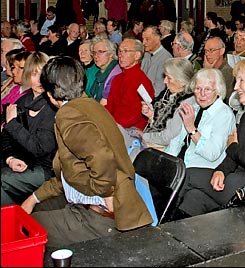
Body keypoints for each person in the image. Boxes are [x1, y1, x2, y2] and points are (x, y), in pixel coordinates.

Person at [20, 56, 153, 249]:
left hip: (105, 215)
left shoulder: (68, 114)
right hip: (97, 200)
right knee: (37, 208)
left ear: (50, 94)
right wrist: (34, 198)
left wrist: (105, 191)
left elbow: (101, 157)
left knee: (29, 229)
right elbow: (70, 171)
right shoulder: (89, 105)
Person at [172, 57, 245, 218]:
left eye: (241, 81)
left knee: (186, 175)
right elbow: (234, 156)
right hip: (240, 178)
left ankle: (156, 226)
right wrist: (221, 171)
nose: (236, 87)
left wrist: (232, 145)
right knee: (194, 198)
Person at [1, 51, 56, 206]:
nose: (38, 80)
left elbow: (40, 148)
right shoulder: (23, 100)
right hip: (21, 159)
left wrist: (12, 123)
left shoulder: (53, 105)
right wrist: (10, 158)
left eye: (42, 74)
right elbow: (6, 137)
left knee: (2, 179)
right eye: (34, 74)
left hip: (45, 168)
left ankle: (14, 221)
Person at [163, 68, 236, 171]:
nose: (202, 94)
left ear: (218, 91)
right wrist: (164, 162)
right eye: (198, 89)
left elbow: (212, 154)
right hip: (179, 167)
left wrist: (192, 129)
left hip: (201, 171)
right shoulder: (194, 108)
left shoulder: (224, 114)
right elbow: (176, 143)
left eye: (207, 89)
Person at [139, 58, 195, 149]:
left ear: (182, 81)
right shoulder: (169, 94)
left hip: (164, 149)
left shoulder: (187, 103)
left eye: (169, 78)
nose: (164, 81)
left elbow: (167, 138)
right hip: (153, 143)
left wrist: (144, 136)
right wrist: (151, 117)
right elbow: (160, 126)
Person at [105, 38, 155, 130]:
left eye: (125, 51)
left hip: (130, 131)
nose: (120, 55)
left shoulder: (143, 82)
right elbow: (109, 107)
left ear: (137, 55)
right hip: (112, 125)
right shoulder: (117, 79)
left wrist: (109, 127)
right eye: (119, 51)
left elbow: (132, 117)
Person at [87, 37, 121, 105]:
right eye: (94, 53)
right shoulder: (99, 72)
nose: (96, 56)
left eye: (100, 52)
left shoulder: (116, 74)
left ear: (111, 53)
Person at [141, 25, 173, 95]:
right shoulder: (146, 54)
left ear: (157, 39)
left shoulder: (166, 58)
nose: (143, 43)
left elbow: (159, 90)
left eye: (147, 39)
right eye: (143, 39)